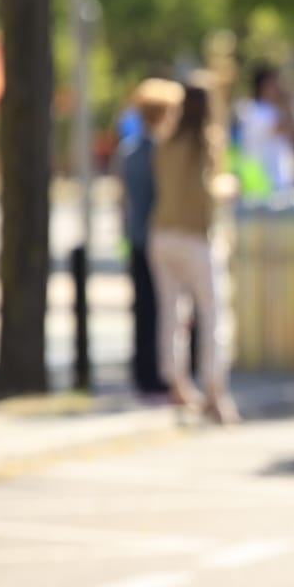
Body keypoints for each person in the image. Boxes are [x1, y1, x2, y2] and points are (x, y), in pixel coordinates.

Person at [149, 77, 240, 425]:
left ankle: (178, 383)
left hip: (163, 233)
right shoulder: (206, 141)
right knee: (213, 316)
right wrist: (228, 187)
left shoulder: (166, 140)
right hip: (195, 237)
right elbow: (207, 188)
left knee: (172, 315)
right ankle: (216, 391)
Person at [118, 78, 181, 396]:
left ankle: (143, 372)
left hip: (137, 236)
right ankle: (160, 372)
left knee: (144, 308)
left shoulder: (128, 151)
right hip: (158, 235)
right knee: (162, 309)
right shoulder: (161, 153)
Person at [236, 64, 294, 195]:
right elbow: (282, 128)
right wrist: (288, 102)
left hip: (278, 186)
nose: (279, 88)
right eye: (274, 84)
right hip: (263, 188)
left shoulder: (273, 110)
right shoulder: (254, 111)